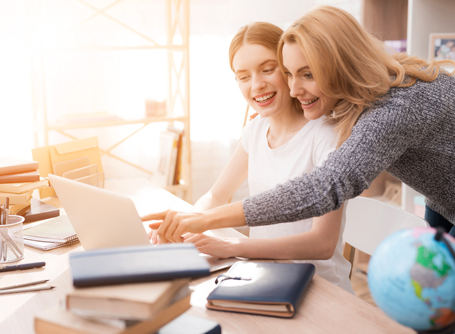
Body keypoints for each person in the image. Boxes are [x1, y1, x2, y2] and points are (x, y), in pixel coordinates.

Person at [143, 6, 455, 246]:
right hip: (442, 199)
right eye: (290, 74)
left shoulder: (396, 107)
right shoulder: (365, 90)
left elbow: (325, 188)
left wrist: (205, 220)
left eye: (307, 74)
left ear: (343, 64)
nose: (293, 89)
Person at [149, 22, 353, 293]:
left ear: (289, 68)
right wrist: (184, 223)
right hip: (263, 276)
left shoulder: (324, 135)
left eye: (268, 69)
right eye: (243, 76)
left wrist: (233, 246)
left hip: (320, 289)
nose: (257, 85)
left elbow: (322, 244)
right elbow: (215, 196)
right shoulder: (256, 130)